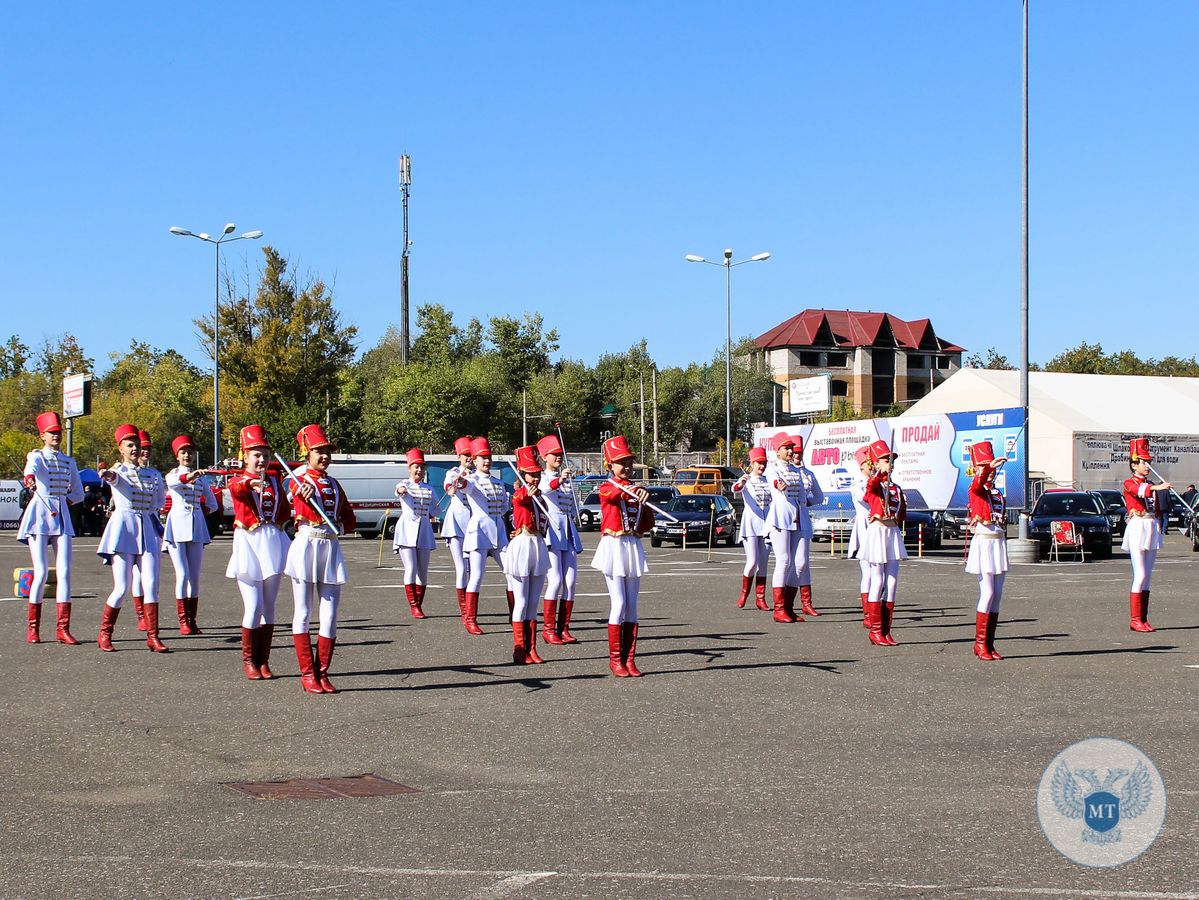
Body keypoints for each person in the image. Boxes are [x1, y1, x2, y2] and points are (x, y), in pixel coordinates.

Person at [286, 424, 355, 693]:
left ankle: (323, 671)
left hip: (330, 545)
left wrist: (344, 525)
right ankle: (307, 674)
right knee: (303, 611)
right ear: (307, 452)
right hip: (307, 544)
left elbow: (348, 517)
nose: (324, 456)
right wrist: (300, 493)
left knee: (330, 614)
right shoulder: (298, 480)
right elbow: (291, 492)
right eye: (319, 451)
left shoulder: (335, 484)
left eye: (327, 451)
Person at [225, 425, 292, 681]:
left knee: (270, 606)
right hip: (249, 544)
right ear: (245, 456)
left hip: (273, 541)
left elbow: (284, 509)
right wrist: (252, 481)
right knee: (253, 605)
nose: (261, 459)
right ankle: (249, 661)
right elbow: (238, 489)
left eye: (265, 454)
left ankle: (264, 661)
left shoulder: (275, 480)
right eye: (256, 454)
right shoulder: (238, 480)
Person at [96, 424, 169, 652]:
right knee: (122, 586)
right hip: (123, 530)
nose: (135, 449)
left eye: (137, 444)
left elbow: (158, 502)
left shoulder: (153, 474)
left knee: (151, 583)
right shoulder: (119, 471)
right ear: (121, 449)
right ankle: (105, 633)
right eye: (130, 445)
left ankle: (153, 636)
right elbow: (114, 478)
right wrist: (107, 474)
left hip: (147, 528)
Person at [17, 411, 84, 644]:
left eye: (58, 432)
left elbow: (77, 491)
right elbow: (31, 468)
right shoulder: (37, 456)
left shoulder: (69, 461)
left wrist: (64, 502)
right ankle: (33, 629)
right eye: (52, 433)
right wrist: (30, 479)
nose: (56, 435)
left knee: (65, 572)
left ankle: (62, 629)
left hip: (61, 516)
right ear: (42, 435)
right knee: (42, 571)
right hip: (39, 515)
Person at [590, 435, 654, 677]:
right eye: (621, 463)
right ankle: (615, 660)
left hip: (632, 545)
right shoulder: (608, 486)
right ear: (610, 465)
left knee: (633, 605)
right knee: (618, 603)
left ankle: (629, 659)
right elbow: (611, 496)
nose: (626, 467)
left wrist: (645, 502)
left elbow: (646, 523)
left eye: (629, 463)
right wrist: (633, 491)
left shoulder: (635, 490)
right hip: (614, 546)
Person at [163, 434, 218, 636]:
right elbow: (177, 483)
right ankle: (183, 621)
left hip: (196, 527)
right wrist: (193, 475)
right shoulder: (172, 474)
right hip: (177, 526)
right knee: (183, 574)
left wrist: (198, 512)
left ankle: (193, 620)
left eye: (190, 452)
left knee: (194, 576)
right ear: (177, 455)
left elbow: (212, 504)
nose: (187, 455)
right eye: (183, 452)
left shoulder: (202, 478)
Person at [455, 436, 509, 636]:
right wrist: (460, 480)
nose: (486, 461)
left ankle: (515, 616)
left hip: (499, 532)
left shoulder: (498, 482)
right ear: (474, 460)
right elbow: (462, 485)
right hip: (479, 531)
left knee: (511, 571)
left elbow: (503, 507)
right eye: (482, 458)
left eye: (488, 457)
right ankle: (470, 619)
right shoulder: (472, 480)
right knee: (476, 575)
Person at [505, 446, 551, 664]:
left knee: (533, 602)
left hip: (538, 544)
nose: (535, 478)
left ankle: (532, 648)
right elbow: (520, 499)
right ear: (523, 475)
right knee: (521, 601)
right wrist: (527, 491)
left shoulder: (540, 496)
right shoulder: (520, 493)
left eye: (538, 474)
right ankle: (519, 649)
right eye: (531, 474)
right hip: (522, 545)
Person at [536, 433, 584, 644]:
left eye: (559, 454)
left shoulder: (566, 480)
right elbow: (544, 490)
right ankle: (548, 630)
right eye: (554, 455)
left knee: (571, 581)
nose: (558, 458)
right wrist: (560, 480)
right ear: (545, 457)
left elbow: (572, 505)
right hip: (553, 530)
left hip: (568, 530)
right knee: (554, 580)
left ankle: (563, 628)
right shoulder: (544, 477)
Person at [964, 441, 1008, 660]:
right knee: (988, 593)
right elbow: (979, 483)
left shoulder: (998, 494)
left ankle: (989, 644)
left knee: (997, 595)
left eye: (989, 466)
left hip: (998, 542)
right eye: (982, 465)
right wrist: (988, 467)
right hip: (984, 543)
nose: (988, 470)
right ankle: (979, 644)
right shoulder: (975, 488)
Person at [862, 439, 906, 647]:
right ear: (875, 464)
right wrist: (879, 475)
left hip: (892, 531)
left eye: (891, 460)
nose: (889, 463)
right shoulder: (874, 484)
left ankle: (886, 631)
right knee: (877, 580)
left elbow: (902, 513)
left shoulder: (896, 488)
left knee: (892, 582)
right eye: (884, 460)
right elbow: (870, 487)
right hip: (878, 531)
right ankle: (875, 630)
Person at [1123, 437, 1170, 633]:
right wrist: (1158, 487)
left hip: (1151, 526)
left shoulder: (1150, 482)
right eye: (1143, 462)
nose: (1147, 466)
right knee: (1140, 574)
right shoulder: (1129, 482)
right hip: (1137, 527)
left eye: (1148, 462)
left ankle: (1143, 618)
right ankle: (1134, 619)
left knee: (1148, 577)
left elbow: (1156, 506)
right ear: (1134, 464)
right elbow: (1139, 491)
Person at [764, 433, 809, 624]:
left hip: (797, 517)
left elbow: (803, 493)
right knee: (783, 560)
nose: (790, 451)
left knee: (799, 563)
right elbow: (774, 482)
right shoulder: (772, 469)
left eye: (791, 448)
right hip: (780, 516)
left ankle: (789, 608)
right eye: (786, 448)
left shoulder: (796, 470)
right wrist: (778, 484)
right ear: (777, 451)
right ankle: (779, 609)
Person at [126, 430, 165, 633]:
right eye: (143, 448)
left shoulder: (153, 475)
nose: (145, 451)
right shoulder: (124, 471)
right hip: (129, 523)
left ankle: (151, 628)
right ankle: (141, 615)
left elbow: (159, 503)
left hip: (150, 523)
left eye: (148, 448)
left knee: (151, 575)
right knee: (135, 575)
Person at [392, 447, 437, 619]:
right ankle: (413, 606)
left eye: (422, 467)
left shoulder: (429, 488)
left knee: (423, 571)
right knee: (410, 567)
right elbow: (399, 491)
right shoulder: (404, 484)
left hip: (424, 530)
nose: (419, 470)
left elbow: (437, 508)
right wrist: (402, 490)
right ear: (409, 468)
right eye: (416, 466)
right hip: (407, 530)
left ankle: (419, 604)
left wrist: (435, 511)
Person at [731, 446, 771, 611]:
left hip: (767, 525)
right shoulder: (746, 479)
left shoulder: (769, 480)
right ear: (752, 463)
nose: (762, 466)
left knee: (764, 563)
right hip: (751, 525)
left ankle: (760, 599)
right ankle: (744, 594)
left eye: (764, 463)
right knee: (752, 561)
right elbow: (735, 489)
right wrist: (742, 482)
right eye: (759, 463)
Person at [440, 436, 474, 618]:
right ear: (459, 456)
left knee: (471, 569)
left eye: (471, 454)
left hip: (472, 525)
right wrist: (450, 488)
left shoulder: (476, 475)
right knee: (462, 568)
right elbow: (449, 482)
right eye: (466, 455)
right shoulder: (454, 472)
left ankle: (469, 605)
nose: (469, 458)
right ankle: (465, 609)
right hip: (456, 525)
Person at [791, 435, 825, 616]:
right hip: (785, 519)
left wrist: (806, 503)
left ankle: (807, 602)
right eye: (794, 452)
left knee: (803, 563)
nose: (796, 455)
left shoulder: (808, 474)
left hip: (802, 517)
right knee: (787, 562)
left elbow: (819, 496)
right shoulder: (781, 471)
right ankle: (784, 603)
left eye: (799, 452)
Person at [845, 445, 873, 627]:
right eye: (869, 464)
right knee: (868, 573)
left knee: (882, 573)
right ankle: (868, 615)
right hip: (865, 527)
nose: (873, 468)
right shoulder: (858, 485)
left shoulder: (883, 483)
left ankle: (876, 611)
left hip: (880, 527)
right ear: (862, 465)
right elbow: (866, 498)